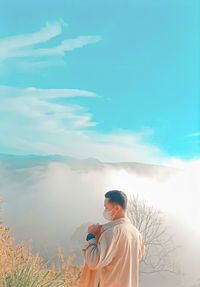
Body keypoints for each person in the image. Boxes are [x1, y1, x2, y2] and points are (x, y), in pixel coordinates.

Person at [77, 190, 145, 287]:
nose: (105, 211)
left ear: (117, 208)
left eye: (106, 207)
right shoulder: (136, 234)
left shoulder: (111, 233)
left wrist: (91, 236)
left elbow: (93, 262)